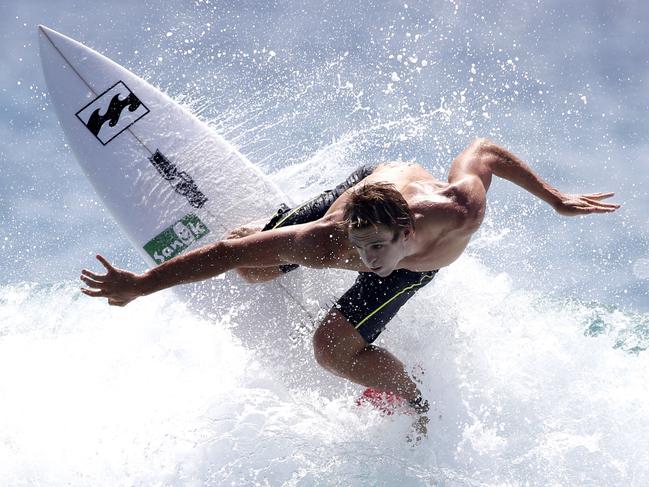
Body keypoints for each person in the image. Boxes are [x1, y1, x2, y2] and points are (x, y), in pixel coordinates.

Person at [80, 138, 620, 435]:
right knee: (251, 265)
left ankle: (414, 396)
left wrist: (555, 198)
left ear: (406, 232)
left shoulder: (460, 210)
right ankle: (270, 232)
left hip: (413, 256)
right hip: (356, 197)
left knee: (329, 350)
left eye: (375, 250)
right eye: (358, 251)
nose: (363, 262)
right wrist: (143, 282)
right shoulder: (329, 243)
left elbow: (484, 152)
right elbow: (225, 256)